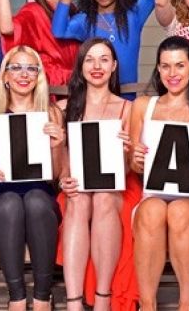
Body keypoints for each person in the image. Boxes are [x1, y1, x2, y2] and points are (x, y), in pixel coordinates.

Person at [129, 37, 189, 311]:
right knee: (153, 209)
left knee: (179, 210)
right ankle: (147, 304)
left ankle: (187, 303)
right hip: (153, 198)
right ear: (158, 69)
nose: (172, 73)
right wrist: (135, 159)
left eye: (180, 65)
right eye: (165, 66)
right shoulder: (143, 106)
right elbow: (134, 165)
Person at [0, 46, 67, 311]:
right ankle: (16, 297)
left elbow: (56, 178)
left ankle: (42, 297)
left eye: (31, 68)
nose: (23, 74)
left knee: (36, 200)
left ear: (38, 76)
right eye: (16, 68)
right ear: (5, 76)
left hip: (40, 198)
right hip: (0, 201)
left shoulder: (51, 114)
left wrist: (58, 145)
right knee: (11, 202)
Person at [55, 38, 135, 311]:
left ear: (114, 66)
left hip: (117, 188)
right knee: (78, 199)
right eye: (89, 59)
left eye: (104, 59)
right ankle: (74, 302)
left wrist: (126, 151)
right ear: (81, 67)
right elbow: (62, 168)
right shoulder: (64, 108)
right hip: (77, 187)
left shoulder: (127, 109)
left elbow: (128, 170)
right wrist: (64, 179)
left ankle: (103, 297)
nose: (97, 66)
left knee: (103, 196)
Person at [0, 0, 79, 87]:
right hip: (48, 90)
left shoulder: (74, 11)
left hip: (78, 88)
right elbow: (6, 28)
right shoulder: (33, 12)